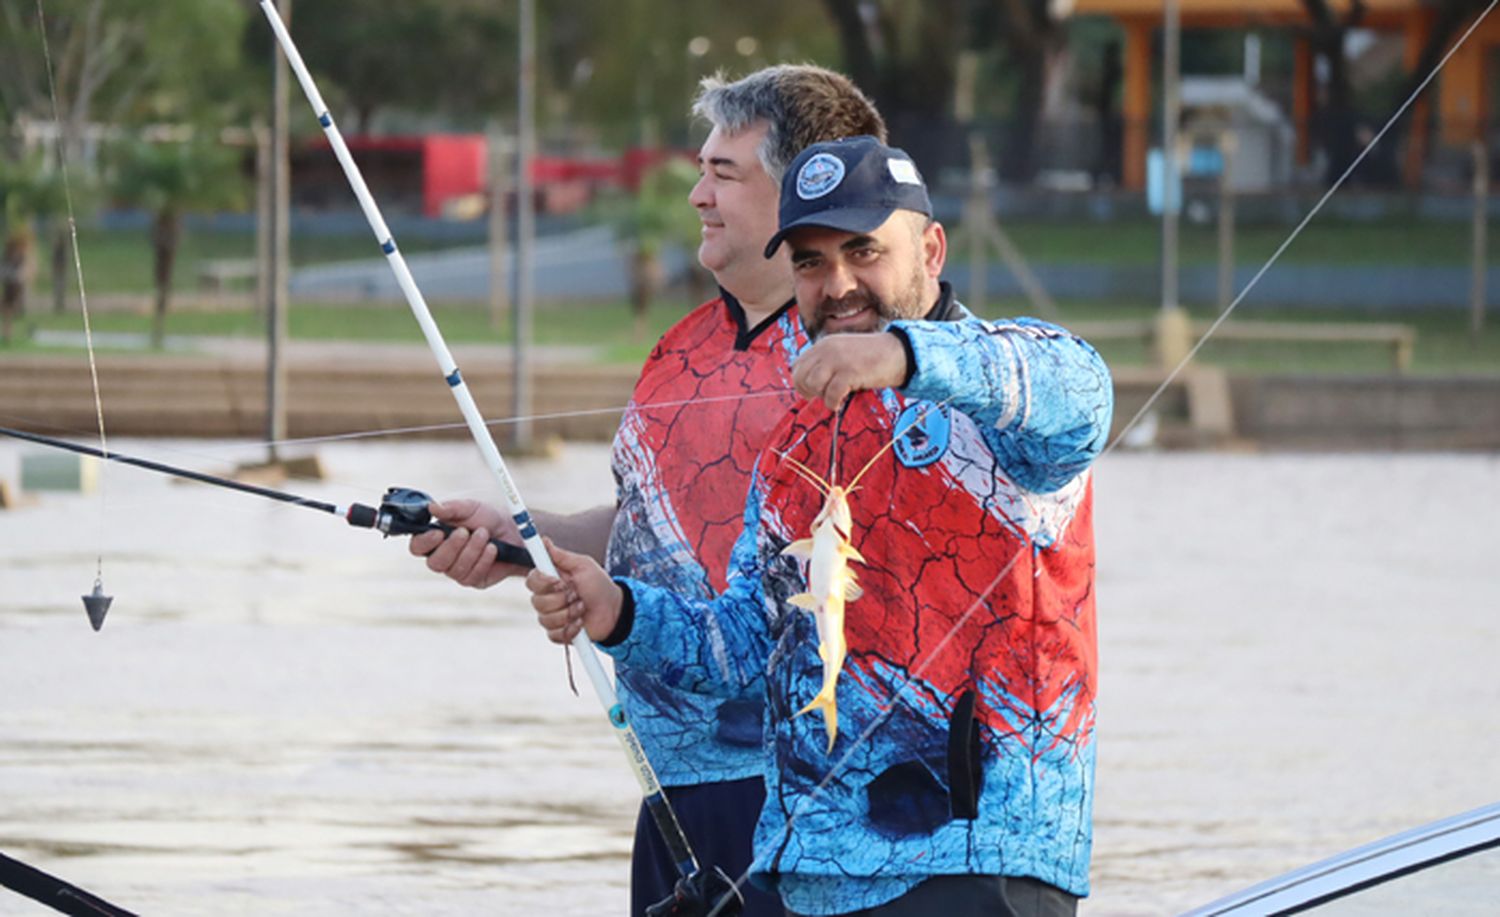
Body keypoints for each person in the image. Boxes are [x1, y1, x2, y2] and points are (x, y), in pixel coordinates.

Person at [526, 136, 1113, 917]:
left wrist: (900, 355)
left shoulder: (1010, 403)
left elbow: (1085, 386)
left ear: (931, 249)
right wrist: (618, 610)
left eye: (863, 251)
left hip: (975, 864)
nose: (837, 285)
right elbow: (742, 641)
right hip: (806, 868)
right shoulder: (797, 441)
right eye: (810, 262)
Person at [409, 67, 886, 917]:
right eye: (700, 170)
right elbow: (642, 532)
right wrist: (522, 542)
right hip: (668, 791)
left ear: (801, 190)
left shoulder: (854, 361)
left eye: (723, 174)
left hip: (794, 790)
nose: (697, 194)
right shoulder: (679, 349)